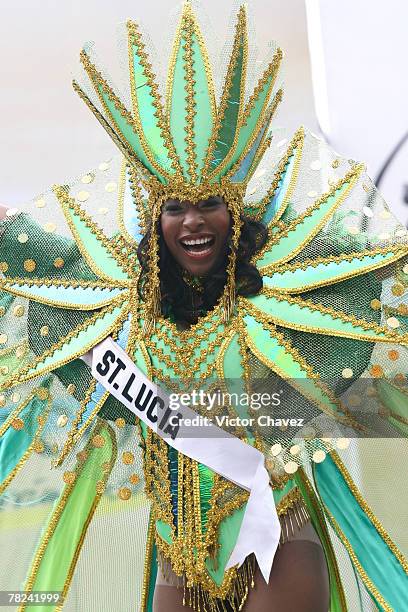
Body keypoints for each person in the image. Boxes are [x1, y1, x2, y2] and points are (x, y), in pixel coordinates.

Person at [0, 3, 407, 611]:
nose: (192, 221)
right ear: (154, 220)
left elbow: (380, 277)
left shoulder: (286, 298)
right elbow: (28, 261)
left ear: (235, 213)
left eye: (209, 203)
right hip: (177, 562)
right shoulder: (119, 315)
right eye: (174, 208)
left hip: (275, 542)